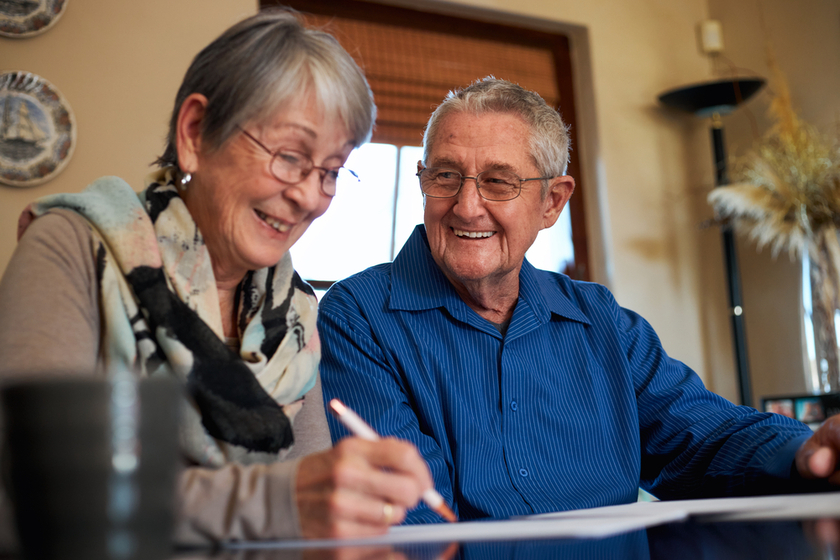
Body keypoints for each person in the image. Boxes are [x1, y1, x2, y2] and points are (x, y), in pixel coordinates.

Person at [318, 77, 840, 524]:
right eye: (445, 176)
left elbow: (702, 438)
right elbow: (412, 516)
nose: (467, 206)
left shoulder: (601, 320)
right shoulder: (356, 315)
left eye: (498, 182)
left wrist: (804, 450)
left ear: (552, 202)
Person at [0, 10, 434, 543]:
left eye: (331, 171)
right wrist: (285, 500)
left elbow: (309, 527)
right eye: (290, 156)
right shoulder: (70, 247)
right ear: (195, 132)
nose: (309, 196)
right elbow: (37, 490)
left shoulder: (296, 314)